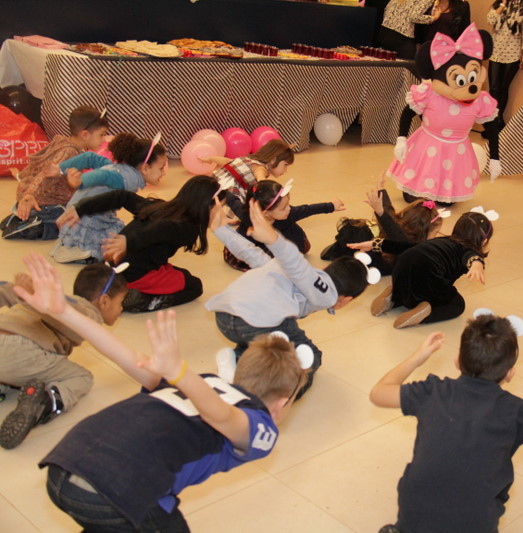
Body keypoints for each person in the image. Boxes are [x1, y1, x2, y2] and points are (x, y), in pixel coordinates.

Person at [12, 254, 305, 531]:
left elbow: (127, 357)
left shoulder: (203, 384)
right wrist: (179, 372)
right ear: (280, 405)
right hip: (115, 487)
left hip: (66, 463)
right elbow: (223, 417)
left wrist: (63, 312)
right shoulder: (259, 426)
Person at [371, 313, 523, 533]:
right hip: (474, 524)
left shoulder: (433, 391)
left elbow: (379, 393)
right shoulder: (518, 411)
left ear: (457, 360)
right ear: (510, 373)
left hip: (414, 516)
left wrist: (418, 357)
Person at [207, 199, 371, 398]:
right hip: (252, 323)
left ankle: (237, 358)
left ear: (326, 268)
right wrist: (273, 239)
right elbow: (296, 263)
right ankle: (274, 399)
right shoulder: (327, 294)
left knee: (281, 326)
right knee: (311, 356)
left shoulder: (283, 268)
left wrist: (219, 229)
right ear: (346, 299)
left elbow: (250, 252)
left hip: (224, 316)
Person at [0, 259, 127, 449]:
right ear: (104, 301)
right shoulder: (87, 313)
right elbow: (68, 310)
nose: (121, 309)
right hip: (17, 351)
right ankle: (45, 402)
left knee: (20, 371)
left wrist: (21, 290)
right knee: (82, 376)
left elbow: (9, 291)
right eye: (120, 303)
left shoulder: (64, 300)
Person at [57, 175, 221, 312]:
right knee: (194, 286)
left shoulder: (159, 207)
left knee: (180, 273)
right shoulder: (188, 227)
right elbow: (163, 228)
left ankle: (129, 290)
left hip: (114, 267)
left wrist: (82, 208)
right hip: (135, 274)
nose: (222, 212)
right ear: (206, 206)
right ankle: (146, 301)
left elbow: (122, 196)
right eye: (221, 207)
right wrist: (129, 242)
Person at [388, 24, 501, 204]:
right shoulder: (429, 93)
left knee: (447, 201)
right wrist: (401, 139)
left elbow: (492, 128)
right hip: (427, 146)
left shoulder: (480, 100)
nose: (470, 87)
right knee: (412, 197)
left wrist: (495, 158)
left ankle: (442, 192)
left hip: (457, 150)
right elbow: (408, 113)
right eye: (461, 80)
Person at [48, 132, 168, 263]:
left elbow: (89, 157)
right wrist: (81, 181)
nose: (164, 173)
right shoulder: (126, 178)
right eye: (161, 168)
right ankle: (83, 250)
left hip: (75, 215)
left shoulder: (119, 168)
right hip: (86, 219)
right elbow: (102, 176)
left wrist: (60, 169)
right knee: (123, 243)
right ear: (145, 168)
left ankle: (71, 243)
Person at [367, 210, 494, 328]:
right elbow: (471, 256)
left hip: (401, 268)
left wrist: (376, 244)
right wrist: (476, 263)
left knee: (412, 289)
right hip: (427, 275)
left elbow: (406, 246)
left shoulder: (441, 240)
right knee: (456, 304)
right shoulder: (469, 250)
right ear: (484, 241)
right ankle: (426, 313)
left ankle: (394, 295)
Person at [1, 106, 110, 240]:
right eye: (102, 135)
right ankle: (37, 225)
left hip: (35, 198)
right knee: (79, 221)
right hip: (46, 203)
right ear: (85, 134)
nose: (104, 140)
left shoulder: (61, 141)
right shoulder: (70, 153)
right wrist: (30, 195)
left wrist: (22, 177)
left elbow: (38, 161)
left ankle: (23, 216)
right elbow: (46, 175)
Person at [320, 175, 444, 275]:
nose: (435, 236)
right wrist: (380, 212)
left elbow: (389, 212)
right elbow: (392, 226)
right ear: (422, 230)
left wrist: (381, 191)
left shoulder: (402, 228)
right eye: (435, 233)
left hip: (375, 244)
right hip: (375, 254)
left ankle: (343, 250)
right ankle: (342, 253)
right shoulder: (406, 240)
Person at [223, 178, 345, 271]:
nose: (289, 209)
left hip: (285, 237)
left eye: (288, 204)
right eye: (283, 208)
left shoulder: (289, 213)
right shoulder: (247, 215)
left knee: (302, 247)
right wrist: (218, 189)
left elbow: (308, 209)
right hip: (256, 247)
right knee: (271, 264)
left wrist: (331, 206)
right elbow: (233, 201)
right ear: (265, 213)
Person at [202, 138, 294, 220]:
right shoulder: (260, 168)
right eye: (285, 165)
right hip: (227, 192)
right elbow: (261, 180)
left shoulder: (249, 159)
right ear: (273, 160)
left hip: (215, 184)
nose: (285, 170)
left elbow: (228, 161)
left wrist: (211, 158)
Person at [486, 0, 523, 132]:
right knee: (494, 88)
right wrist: (502, 5)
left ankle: (496, 122)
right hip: (496, 51)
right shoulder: (498, 4)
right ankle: (496, 122)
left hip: (513, 53)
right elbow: (490, 20)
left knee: (503, 88)